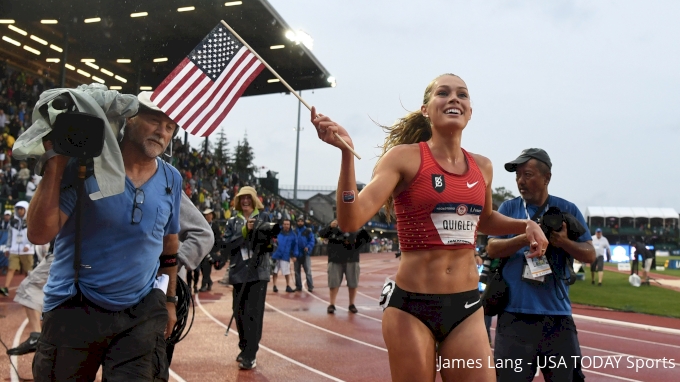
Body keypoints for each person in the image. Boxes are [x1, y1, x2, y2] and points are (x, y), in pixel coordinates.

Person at [311, 73, 549, 381]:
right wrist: (347, 153)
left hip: (466, 306)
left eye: (462, 95)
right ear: (426, 109)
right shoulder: (404, 158)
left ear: (470, 111)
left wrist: (526, 224)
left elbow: (485, 219)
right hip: (412, 307)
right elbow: (350, 219)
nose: (454, 99)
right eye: (444, 93)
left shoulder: (483, 166)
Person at [27, 91, 183, 381]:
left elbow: (169, 243)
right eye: (154, 121)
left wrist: (170, 300)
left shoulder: (171, 178)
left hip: (141, 310)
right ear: (130, 118)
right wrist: (56, 167)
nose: (162, 132)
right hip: (75, 304)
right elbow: (38, 234)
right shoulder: (85, 166)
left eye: (169, 127)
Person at [486, 148, 596, 381]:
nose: (520, 181)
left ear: (547, 178)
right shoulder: (509, 209)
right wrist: (524, 236)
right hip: (515, 316)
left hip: (557, 318)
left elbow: (590, 254)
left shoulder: (567, 210)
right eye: (517, 176)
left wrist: (564, 242)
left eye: (527, 174)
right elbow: (492, 248)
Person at [224, 186, 273, 370]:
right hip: (238, 273)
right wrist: (245, 230)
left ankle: (250, 353)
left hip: (258, 272)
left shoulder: (264, 218)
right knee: (239, 313)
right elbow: (227, 245)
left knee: (254, 314)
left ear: (254, 200)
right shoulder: (232, 222)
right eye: (242, 198)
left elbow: (269, 245)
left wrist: (257, 232)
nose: (245, 201)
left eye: (248, 198)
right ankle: (244, 347)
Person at [319, 219, 371, 314]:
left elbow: (367, 238)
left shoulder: (355, 224)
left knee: (353, 283)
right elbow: (321, 234)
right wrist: (330, 227)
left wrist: (354, 244)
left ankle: (351, 304)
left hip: (352, 258)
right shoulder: (333, 224)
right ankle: (332, 304)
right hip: (335, 259)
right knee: (333, 283)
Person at [2, 200, 34, 297]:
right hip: (14, 249)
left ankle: (29, 289)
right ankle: (6, 288)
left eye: (21, 209)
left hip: (27, 250)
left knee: (27, 271)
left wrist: (28, 245)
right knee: (11, 269)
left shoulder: (31, 221)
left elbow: (33, 235)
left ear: (26, 210)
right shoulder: (12, 222)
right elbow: (10, 236)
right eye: (18, 209)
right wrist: (7, 248)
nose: (19, 211)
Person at [270, 218, 297, 293]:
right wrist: (270, 253)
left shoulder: (293, 235)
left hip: (285, 255)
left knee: (287, 272)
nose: (286, 225)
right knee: (275, 271)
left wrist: (294, 255)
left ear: (290, 225)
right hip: (276, 255)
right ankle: (274, 286)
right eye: (285, 224)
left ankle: (287, 286)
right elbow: (271, 241)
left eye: (288, 224)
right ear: (282, 224)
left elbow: (295, 245)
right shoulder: (277, 232)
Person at [197, 208, 220, 292]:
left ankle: (204, 285)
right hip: (203, 250)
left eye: (210, 214)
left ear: (212, 216)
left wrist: (217, 250)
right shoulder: (201, 226)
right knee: (203, 268)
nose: (208, 216)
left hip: (211, 251)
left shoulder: (215, 226)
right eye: (206, 215)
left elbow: (218, 239)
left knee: (207, 268)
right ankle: (209, 282)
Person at [293, 216, 315, 292]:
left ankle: (310, 286)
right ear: (296, 222)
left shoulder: (307, 231)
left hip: (306, 254)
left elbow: (312, 241)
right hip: (296, 254)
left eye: (301, 221)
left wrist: (308, 247)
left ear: (303, 222)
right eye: (298, 221)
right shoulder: (294, 231)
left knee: (308, 271)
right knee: (296, 271)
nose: (300, 222)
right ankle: (298, 286)